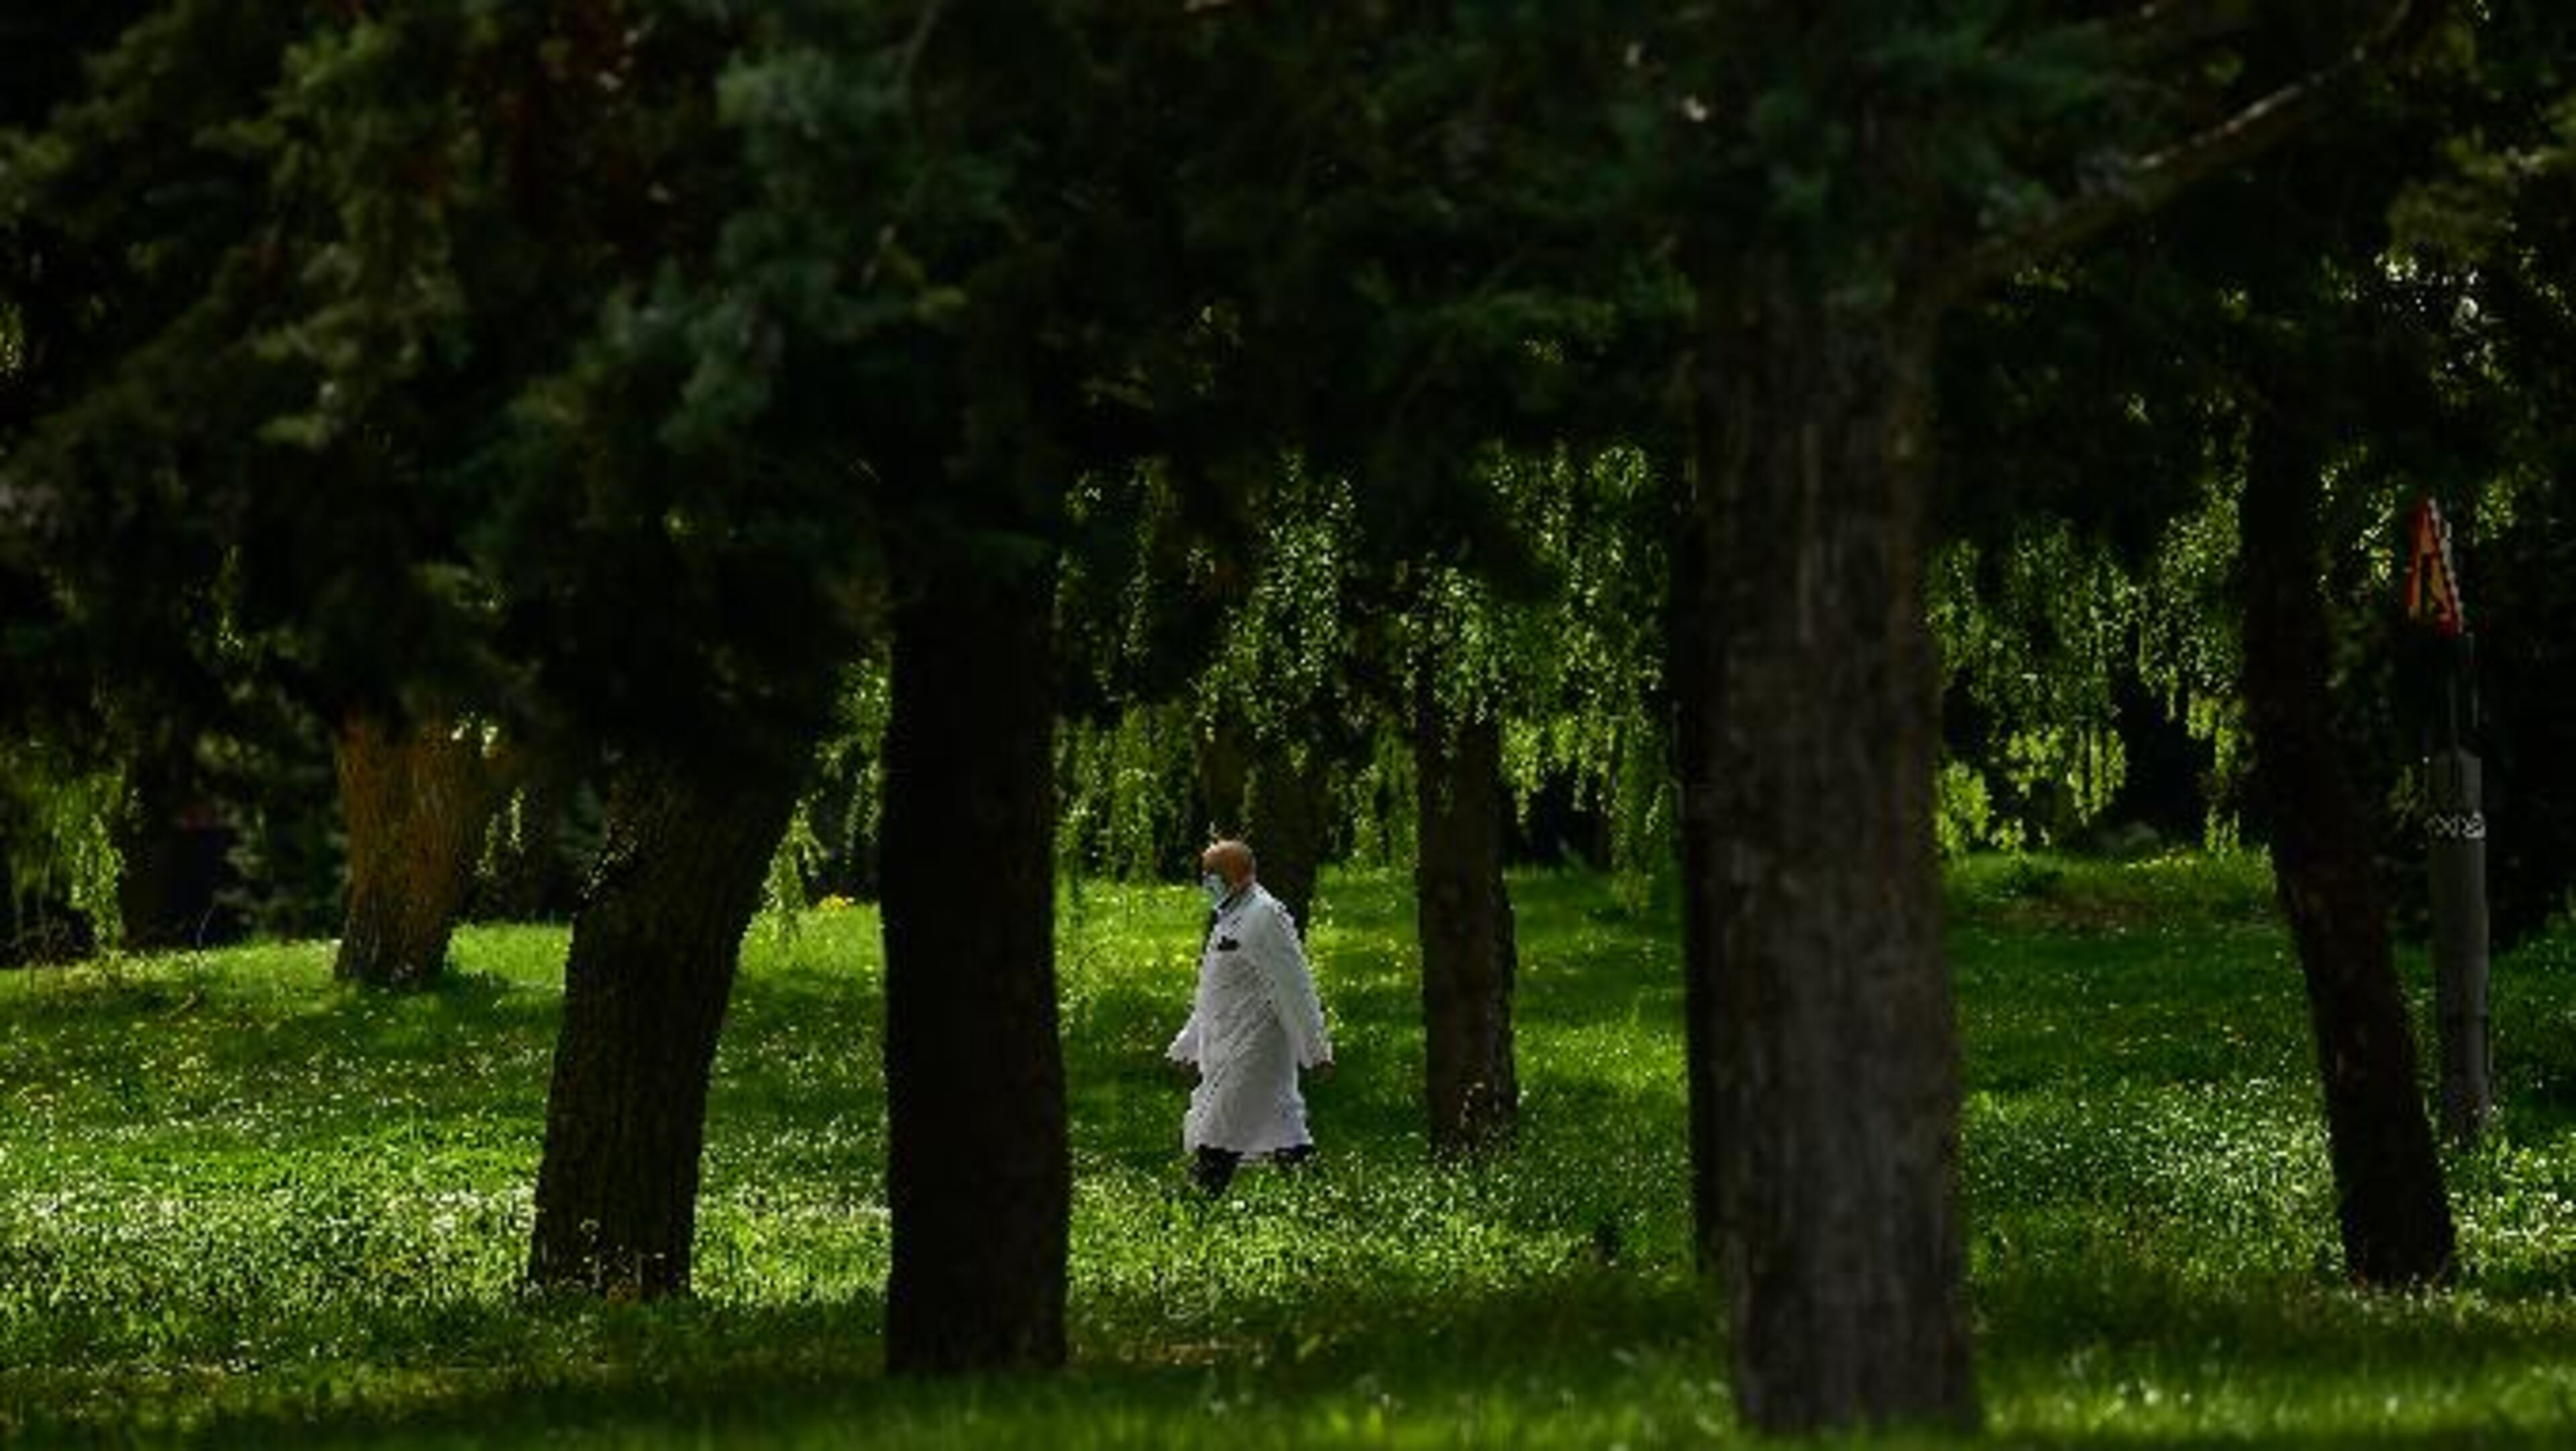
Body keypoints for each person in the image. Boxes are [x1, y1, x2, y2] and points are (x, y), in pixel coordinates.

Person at [1165, 838, 1333, 1193]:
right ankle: (1322, 1205)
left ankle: (1190, 1212)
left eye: (1215, 873)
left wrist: (1315, 1052)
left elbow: (1295, 987)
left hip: (1255, 1048)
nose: (1208, 880)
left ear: (1242, 875)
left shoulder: (1264, 916)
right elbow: (1214, 995)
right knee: (1288, 1140)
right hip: (1230, 1042)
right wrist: (1186, 1046)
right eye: (1205, 873)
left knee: (1216, 1138)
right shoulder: (1229, 917)